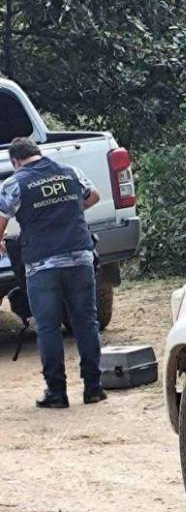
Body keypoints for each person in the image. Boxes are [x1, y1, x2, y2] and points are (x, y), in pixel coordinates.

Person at [0, 136, 106, 407]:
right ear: (38, 152)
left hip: (42, 264)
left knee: (48, 327)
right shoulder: (70, 172)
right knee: (86, 322)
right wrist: (66, 209)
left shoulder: (15, 183)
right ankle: (93, 388)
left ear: (16, 161)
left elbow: (1, 220)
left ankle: (57, 393)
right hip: (80, 257)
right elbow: (93, 196)